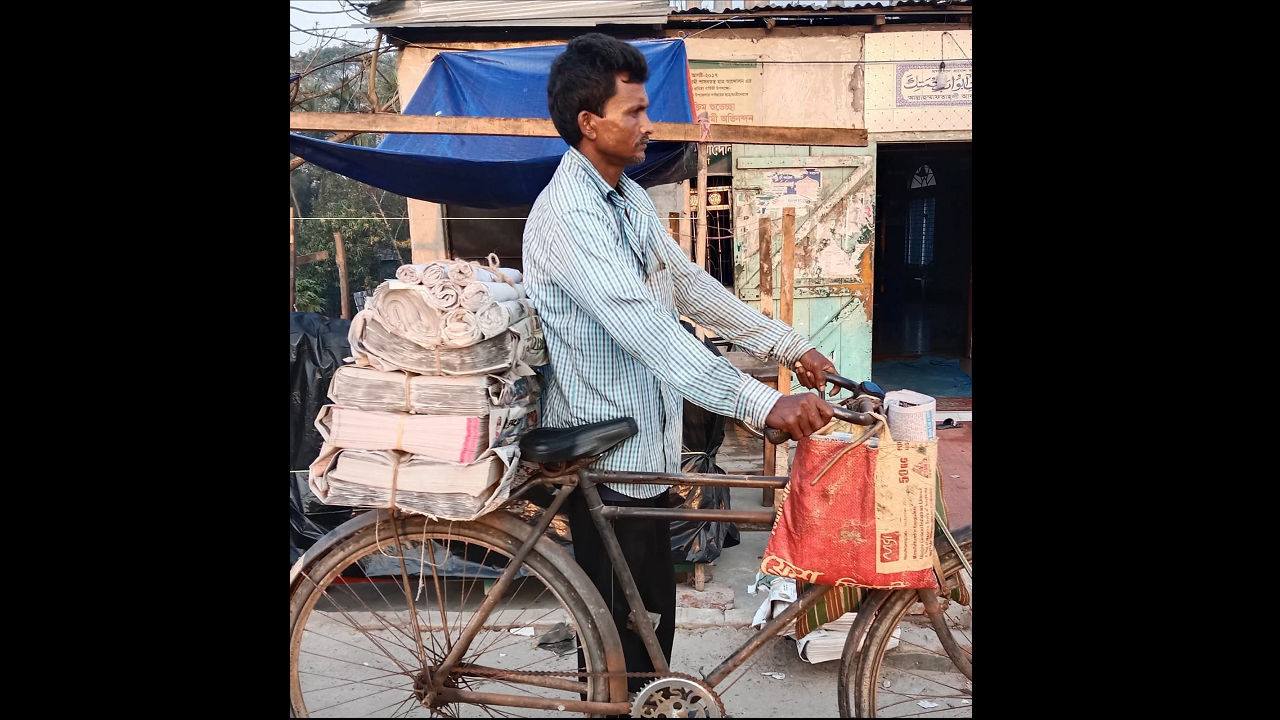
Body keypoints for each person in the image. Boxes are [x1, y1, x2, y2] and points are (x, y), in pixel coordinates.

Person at [523, 33, 837, 700]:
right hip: (606, 460)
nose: (648, 124)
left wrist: (789, 345)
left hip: (646, 453)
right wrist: (759, 404)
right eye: (634, 111)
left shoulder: (625, 197)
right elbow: (645, 328)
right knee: (619, 654)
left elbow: (689, 288)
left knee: (650, 631)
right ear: (590, 122)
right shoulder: (570, 215)